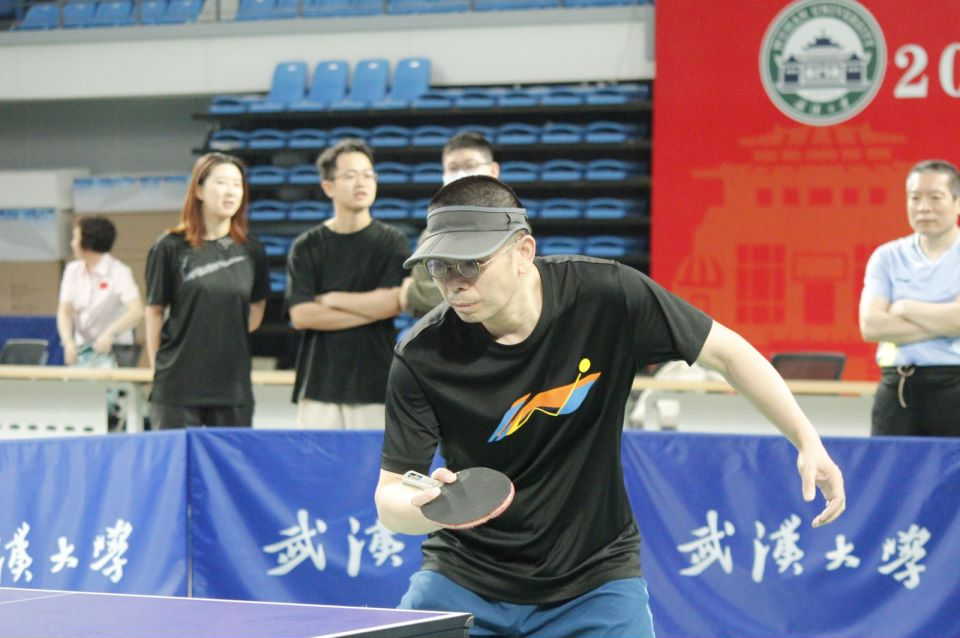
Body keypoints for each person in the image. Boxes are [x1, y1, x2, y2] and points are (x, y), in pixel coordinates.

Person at [375, 176, 846, 637]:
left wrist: (806, 439)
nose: (454, 284)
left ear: (523, 252)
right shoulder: (422, 355)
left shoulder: (607, 296)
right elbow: (390, 498)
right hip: (464, 579)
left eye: (470, 264)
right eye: (439, 267)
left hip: (593, 581)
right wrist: (428, 508)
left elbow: (727, 353)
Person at [286, 138, 410, 429]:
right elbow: (302, 315)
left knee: (376, 460)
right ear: (328, 187)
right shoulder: (306, 246)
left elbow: (394, 303)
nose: (362, 182)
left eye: (368, 175)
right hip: (318, 385)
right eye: (351, 175)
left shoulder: (393, 242)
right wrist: (372, 307)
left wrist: (331, 299)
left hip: (375, 382)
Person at [144, 152, 269, 429]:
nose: (231, 191)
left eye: (237, 184)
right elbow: (154, 311)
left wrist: (225, 330)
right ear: (199, 190)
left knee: (228, 458)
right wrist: (158, 371)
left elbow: (257, 304)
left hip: (232, 387)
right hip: (177, 386)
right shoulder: (169, 246)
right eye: (222, 183)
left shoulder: (252, 250)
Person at [859, 159, 960, 437]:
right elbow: (871, 326)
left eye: (935, 197)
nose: (923, 207)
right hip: (898, 388)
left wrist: (905, 307)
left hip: (955, 384)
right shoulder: (886, 257)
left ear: (957, 203)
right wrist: (946, 320)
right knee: (888, 465)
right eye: (915, 198)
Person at [401, 132, 500, 318]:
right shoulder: (430, 233)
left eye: (470, 166)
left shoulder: (508, 225)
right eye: (453, 168)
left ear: (493, 170)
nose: (461, 174)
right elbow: (415, 307)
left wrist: (414, 293)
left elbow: (497, 292)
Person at [57, 216, 144, 368]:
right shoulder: (72, 271)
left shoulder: (119, 272)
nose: (72, 243)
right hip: (83, 352)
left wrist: (110, 334)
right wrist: (68, 342)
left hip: (115, 352)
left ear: (87, 242)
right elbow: (65, 310)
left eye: (75, 238)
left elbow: (137, 311)